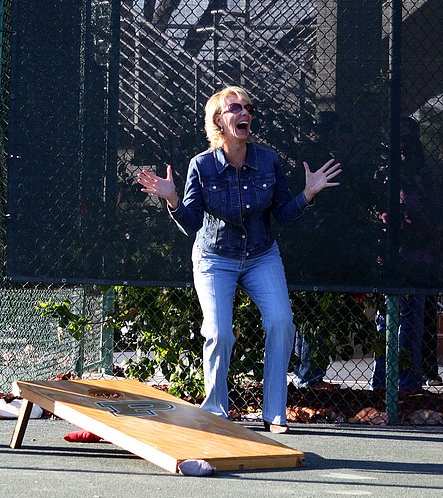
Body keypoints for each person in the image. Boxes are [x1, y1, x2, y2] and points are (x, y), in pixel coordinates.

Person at [136, 86, 342, 433]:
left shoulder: (268, 160)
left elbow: (284, 215)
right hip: (214, 258)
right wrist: (172, 200)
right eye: (235, 108)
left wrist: (307, 194)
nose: (244, 112)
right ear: (219, 120)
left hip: (262, 256)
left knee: (281, 323)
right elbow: (192, 224)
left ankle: (274, 414)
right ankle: (216, 412)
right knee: (218, 332)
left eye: (247, 107)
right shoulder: (201, 165)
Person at [371, 117, 443, 392]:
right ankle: (381, 381)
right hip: (390, 254)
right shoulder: (383, 172)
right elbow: (377, 210)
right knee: (385, 320)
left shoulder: (426, 174)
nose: (404, 147)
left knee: (413, 321)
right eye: (399, 141)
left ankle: (407, 381)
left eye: (409, 140)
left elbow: (438, 210)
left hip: (418, 255)